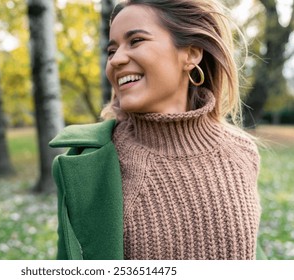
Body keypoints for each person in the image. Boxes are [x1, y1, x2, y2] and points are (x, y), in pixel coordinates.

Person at [50, 0, 263, 260]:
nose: (116, 59)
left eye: (136, 40)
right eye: (111, 50)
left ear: (192, 53)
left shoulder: (242, 154)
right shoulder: (86, 164)